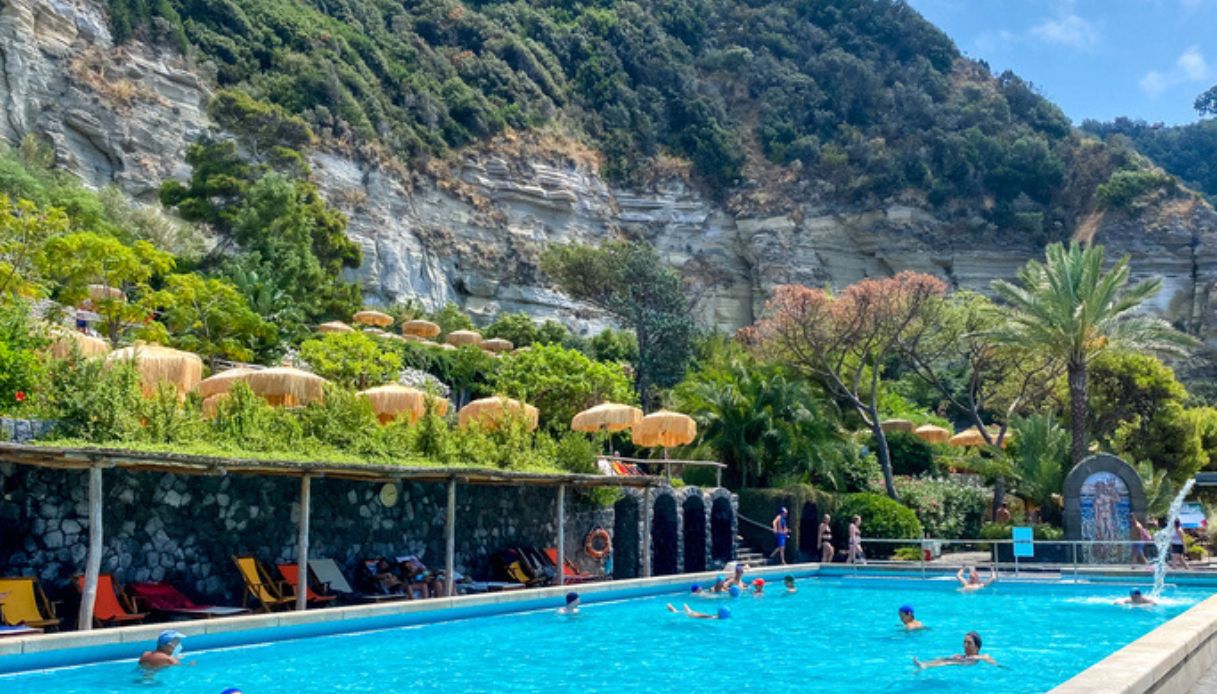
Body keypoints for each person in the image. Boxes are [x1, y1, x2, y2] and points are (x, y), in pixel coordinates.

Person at [913, 631, 997, 670]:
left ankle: (925, 666)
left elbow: (994, 664)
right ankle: (924, 664)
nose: (965, 645)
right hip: (963, 661)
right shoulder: (960, 655)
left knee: (949, 661)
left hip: (969, 663)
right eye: (964, 642)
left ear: (977, 647)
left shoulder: (983, 656)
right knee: (944, 659)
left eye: (969, 643)